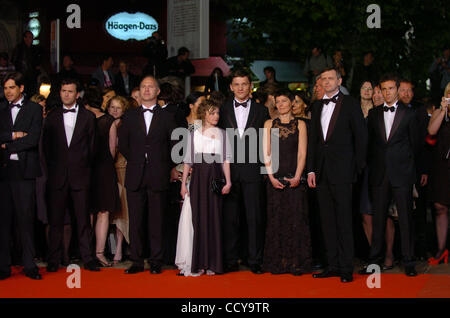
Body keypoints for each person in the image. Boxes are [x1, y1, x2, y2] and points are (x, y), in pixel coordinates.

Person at [307, 67, 367, 283]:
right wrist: (311, 169)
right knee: (327, 220)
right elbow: (313, 139)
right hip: (321, 172)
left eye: (331, 78)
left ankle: (346, 268)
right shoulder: (316, 105)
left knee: (343, 220)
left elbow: (361, 136)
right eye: (323, 79)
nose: (327, 81)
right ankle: (332, 265)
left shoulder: (350, 103)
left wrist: (357, 168)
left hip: (343, 172)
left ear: (339, 80)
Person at [118, 75, 177, 275]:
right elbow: (123, 144)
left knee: (157, 221)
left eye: (151, 87)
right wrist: (136, 159)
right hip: (135, 174)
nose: (146, 90)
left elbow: (174, 145)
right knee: (135, 220)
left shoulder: (168, 117)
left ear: (158, 91)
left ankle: (156, 261)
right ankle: (136, 261)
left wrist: (164, 165)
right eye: (143, 86)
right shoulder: (129, 116)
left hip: (158, 174)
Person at [361, 74, 419, 277]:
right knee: (378, 220)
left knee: (405, 219)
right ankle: (374, 261)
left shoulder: (409, 114)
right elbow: (369, 146)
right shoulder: (374, 114)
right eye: (383, 89)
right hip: (379, 174)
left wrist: (413, 175)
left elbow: (415, 146)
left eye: (390, 89)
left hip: (402, 174)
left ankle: (409, 261)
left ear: (397, 89)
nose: (387, 92)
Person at [42, 78, 99, 273]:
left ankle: (88, 258)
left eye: (70, 91)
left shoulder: (88, 117)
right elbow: (46, 148)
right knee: (55, 220)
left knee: (83, 220)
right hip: (57, 176)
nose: (66, 94)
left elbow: (93, 149)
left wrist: (82, 166)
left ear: (77, 94)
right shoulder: (51, 117)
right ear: (60, 92)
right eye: (63, 90)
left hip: (81, 175)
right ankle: (53, 258)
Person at [219, 68, 270, 274]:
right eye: (237, 84)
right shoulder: (221, 110)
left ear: (251, 87)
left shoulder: (262, 111)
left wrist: (268, 172)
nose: (240, 88)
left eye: (244, 84)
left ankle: (254, 259)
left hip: (253, 171)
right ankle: (231, 259)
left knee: (254, 217)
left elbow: (269, 143)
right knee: (230, 218)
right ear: (231, 87)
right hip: (228, 172)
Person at [178, 99, 232, 276]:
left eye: (217, 113)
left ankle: (213, 263)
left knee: (214, 219)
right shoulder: (194, 133)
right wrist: (183, 184)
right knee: (198, 219)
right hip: (198, 180)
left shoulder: (224, 134)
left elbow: (226, 160)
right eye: (211, 113)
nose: (215, 116)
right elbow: (187, 161)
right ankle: (199, 262)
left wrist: (228, 181)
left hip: (215, 179)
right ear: (204, 114)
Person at [262, 89, 311, 275]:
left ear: (293, 103)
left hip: (295, 177)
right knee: (276, 220)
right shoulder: (269, 124)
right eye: (278, 102)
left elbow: (302, 153)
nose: (280, 105)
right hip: (274, 177)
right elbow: (266, 152)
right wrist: (271, 177)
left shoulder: (301, 124)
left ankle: (295, 262)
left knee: (296, 219)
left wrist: (298, 176)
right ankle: (278, 262)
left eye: (284, 101)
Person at [0, 72, 43, 280]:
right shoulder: (0, 108)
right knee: (3, 220)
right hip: (3, 170)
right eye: (6, 88)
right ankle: (3, 265)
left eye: (12, 87)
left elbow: (33, 139)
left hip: (25, 172)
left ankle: (29, 265)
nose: (8, 92)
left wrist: (6, 144)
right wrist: (13, 136)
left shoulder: (34, 109)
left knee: (26, 220)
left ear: (21, 88)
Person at [399, 79, 430, 260]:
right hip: (398, 170)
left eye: (409, 90)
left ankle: (421, 250)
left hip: (417, 169)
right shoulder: (394, 112)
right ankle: (401, 251)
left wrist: (424, 170)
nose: (406, 94)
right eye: (403, 90)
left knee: (419, 212)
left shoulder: (419, 111)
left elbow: (424, 144)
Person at [90, 97, 122, 267]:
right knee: (103, 212)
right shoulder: (108, 121)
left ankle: (85, 251)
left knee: (88, 211)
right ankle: (99, 253)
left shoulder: (83, 118)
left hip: (86, 170)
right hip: (104, 170)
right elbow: (112, 150)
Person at [426, 83, 450, 265]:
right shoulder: (438, 112)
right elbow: (431, 131)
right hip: (442, 167)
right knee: (440, 207)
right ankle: (441, 249)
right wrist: (443, 110)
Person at [107, 96, 130, 264]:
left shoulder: (125, 127)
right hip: (106, 172)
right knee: (107, 215)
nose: (115, 110)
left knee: (121, 214)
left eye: (118, 107)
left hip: (121, 171)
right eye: (112, 107)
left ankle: (119, 249)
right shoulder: (103, 124)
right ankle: (112, 248)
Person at [11, 31, 42, 97]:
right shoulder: (19, 48)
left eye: (32, 37)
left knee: (32, 93)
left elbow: (38, 60)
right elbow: (14, 60)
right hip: (22, 75)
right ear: (25, 38)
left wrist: (37, 67)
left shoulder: (34, 49)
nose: (31, 39)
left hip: (33, 75)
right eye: (30, 37)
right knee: (23, 92)